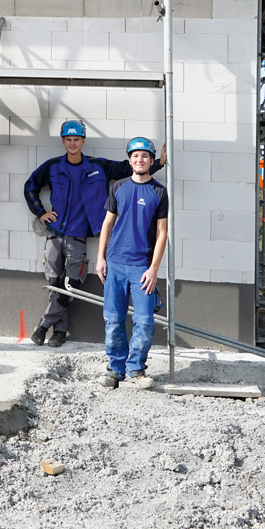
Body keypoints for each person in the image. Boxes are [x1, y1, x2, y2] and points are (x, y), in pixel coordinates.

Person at [23, 120, 166, 347]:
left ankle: (43, 326)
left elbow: (129, 167)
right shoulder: (52, 167)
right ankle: (60, 331)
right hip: (55, 233)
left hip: (79, 235)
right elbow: (30, 186)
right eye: (68, 140)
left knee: (71, 283)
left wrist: (158, 162)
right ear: (63, 141)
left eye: (76, 140)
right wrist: (41, 213)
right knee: (54, 282)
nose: (72, 143)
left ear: (83, 141)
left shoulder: (98, 166)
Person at [95, 137, 169, 390]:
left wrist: (154, 268)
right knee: (113, 320)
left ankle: (136, 368)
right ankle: (115, 370)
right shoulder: (118, 187)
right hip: (115, 263)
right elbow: (107, 224)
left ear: (151, 161)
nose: (140, 160)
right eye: (135, 156)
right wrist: (100, 258)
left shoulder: (159, 191)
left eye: (145, 156)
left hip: (142, 267)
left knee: (145, 321)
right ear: (130, 160)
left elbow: (162, 234)